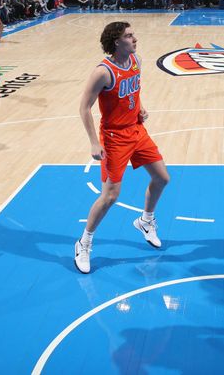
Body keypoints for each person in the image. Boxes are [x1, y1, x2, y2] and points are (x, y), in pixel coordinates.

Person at [74, 21, 170, 274]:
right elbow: (84, 107)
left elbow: (133, 91)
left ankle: (145, 221)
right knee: (110, 196)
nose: (135, 38)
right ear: (117, 42)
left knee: (162, 178)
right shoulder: (103, 72)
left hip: (136, 130)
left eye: (133, 34)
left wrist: (139, 107)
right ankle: (84, 243)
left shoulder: (136, 60)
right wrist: (94, 141)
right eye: (129, 36)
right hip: (114, 137)